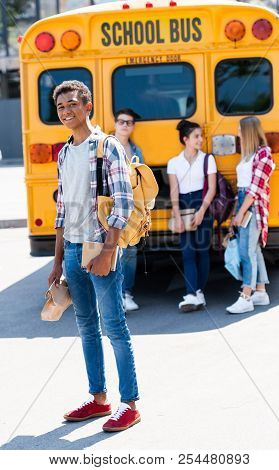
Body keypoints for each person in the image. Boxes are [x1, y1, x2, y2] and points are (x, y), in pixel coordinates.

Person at [48, 80, 140, 432]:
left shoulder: (107, 146)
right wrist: (57, 262)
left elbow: (122, 201)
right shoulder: (64, 153)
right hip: (72, 249)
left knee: (114, 326)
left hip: (99, 246)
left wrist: (109, 250)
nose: (67, 111)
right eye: (61, 107)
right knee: (86, 327)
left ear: (88, 105)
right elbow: (61, 211)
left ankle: (129, 404)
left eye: (72, 104)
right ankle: (99, 399)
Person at [226, 116, 275, 314]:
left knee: (247, 252)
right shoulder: (247, 155)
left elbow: (254, 191)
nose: (237, 133)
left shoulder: (264, 155)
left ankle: (246, 296)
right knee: (254, 250)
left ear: (248, 131)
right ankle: (261, 292)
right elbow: (242, 187)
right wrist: (236, 212)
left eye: (240, 130)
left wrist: (242, 212)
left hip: (253, 207)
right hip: (244, 202)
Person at [167, 120, 217, 312]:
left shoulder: (207, 159)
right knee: (188, 253)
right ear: (185, 139)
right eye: (196, 136)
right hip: (183, 205)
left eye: (201, 136)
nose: (200, 140)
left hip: (202, 204)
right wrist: (177, 215)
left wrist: (202, 210)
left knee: (202, 252)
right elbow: (174, 191)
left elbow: (212, 189)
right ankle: (191, 293)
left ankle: (198, 292)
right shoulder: (174, 163)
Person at [114, 108, 144, 312]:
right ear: (115, 124)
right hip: (109, 204)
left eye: (129, 122)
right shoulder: (105, 146)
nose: (125, 125)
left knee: (130, 250)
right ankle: (113, 296)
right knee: (109, 249)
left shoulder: (136, 151)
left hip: (131, 206)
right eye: (121, 121)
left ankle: (127, 293)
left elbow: (142, 179)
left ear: (133, 127)